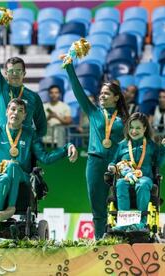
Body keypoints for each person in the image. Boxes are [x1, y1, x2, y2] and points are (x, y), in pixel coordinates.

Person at [0, 98, 78, 231]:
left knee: (13, 166)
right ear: (7, 112)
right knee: (4, 178)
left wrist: (67, 148)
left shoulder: (30, 134)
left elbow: (45, 158)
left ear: (24, 116)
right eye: (13, 109)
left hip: (23, 177)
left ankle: (5, 212)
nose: (16, 113)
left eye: (20, 111)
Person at [64, 60, 129, 240]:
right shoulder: (93, 112)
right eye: (101, 93)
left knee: (123, 199)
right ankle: (100, 240)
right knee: (97, 206)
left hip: (117, 163)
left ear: (116, 97)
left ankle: (124, 235)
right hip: (95, 162)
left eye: (106, 93)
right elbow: (78, 92)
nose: (102, 96)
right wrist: (69, 68)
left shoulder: (124, 120)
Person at [0, 18, 47, 172]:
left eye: (18, 71)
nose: (15, 74)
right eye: (11, 71)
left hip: (23, 152)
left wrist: (28, 140)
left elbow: (42, 128)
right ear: (5, 73)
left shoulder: (33, 97)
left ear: (24, 73)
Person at [108, 112, 165, 231]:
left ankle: (142, 222)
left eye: (138, 128)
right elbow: (113, 161)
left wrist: (163, 150)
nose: (134, 131)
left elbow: (159, 163)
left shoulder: (151, 145)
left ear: (145, 129)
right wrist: (111, 166)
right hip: (126, 178)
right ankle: (123, 222)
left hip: (144, 178)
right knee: (120, 184)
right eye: (131, 127)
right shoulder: (122, 145)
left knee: (142, 184)